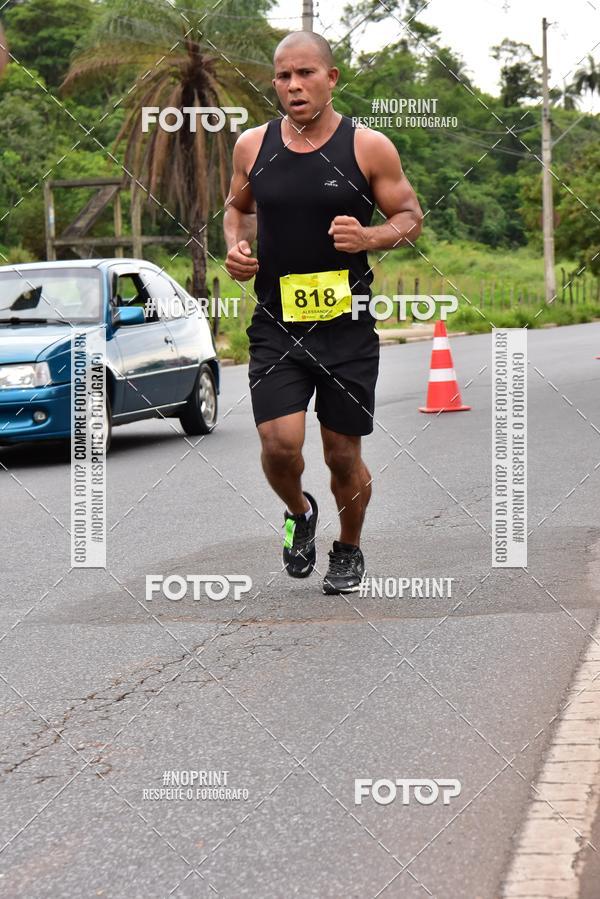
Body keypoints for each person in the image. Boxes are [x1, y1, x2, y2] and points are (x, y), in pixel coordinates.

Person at [223, 31, 423, 594]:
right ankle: (300, 512)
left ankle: (350, 548)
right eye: (284, 76)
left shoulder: (368, 146)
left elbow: (409, 214)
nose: (294, 85)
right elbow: (236, 210)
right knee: (279, 444)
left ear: (331, 78)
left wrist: (370, 237)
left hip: (348, 326)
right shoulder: (251, 146)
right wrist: (236, 247)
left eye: (306, 73)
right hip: (277, 323)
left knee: (341, 455)